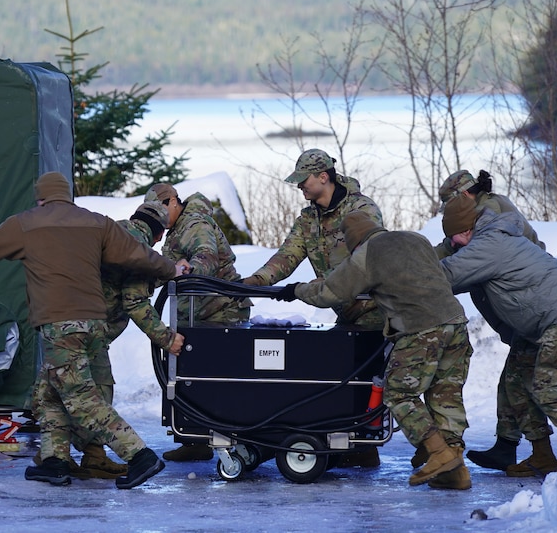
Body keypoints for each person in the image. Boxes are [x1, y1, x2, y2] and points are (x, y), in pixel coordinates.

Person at [0, 172, 177, 489]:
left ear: (41, 197)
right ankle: (55, 461)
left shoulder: (28, 222)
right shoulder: (96, 222)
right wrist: (171, 268)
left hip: (60, 325)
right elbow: (136, 253)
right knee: (48, 395)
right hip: (94, 325)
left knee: (81, 400)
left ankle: (140, 456)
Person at [275, 211, 474, 489]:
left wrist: (296, 290)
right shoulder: (415, 239)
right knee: (445, 396)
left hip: (421, 329)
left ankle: (439, 453)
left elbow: (330, 293)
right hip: (456, 324)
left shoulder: (366, 253)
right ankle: (456, 471)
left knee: (398, 393)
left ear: (352, 241)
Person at [438, 195, 557, 477]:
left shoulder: (488, 245)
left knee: (547, 389)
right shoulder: (499, 235)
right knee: (523, 383)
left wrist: (403, 273)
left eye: (453, 239)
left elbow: (445, 276)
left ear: (465, 230)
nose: (454, 247)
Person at [240, 148, 385, 467]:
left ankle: (432, 450)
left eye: (303, 180)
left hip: (377, 314)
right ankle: (357, 445)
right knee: (337, 378)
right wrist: (254, 282)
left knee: (378, 383)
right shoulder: (308, 220)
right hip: (346, 315)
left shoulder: (361, 210)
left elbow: (371, 260)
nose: (299, 187)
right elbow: (286, 257)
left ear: (323, 177)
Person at [36, 199, 186, 480]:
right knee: (94, 396)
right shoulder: (138, 250)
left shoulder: (107, 234)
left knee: (52, 392)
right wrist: (167, 339)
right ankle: (124, 456)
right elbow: (135, 302)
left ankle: (55, 459)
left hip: (57, 320)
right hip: (90, 331)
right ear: (159, 235)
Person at [436, 169, 548, 473]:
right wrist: (418, 260)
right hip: (522, 310)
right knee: (513, 380)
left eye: (451, 204)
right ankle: (508, 446)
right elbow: (448, 249)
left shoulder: (490, 216)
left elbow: (463, 264)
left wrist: (421, 277)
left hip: (529, 307)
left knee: (521, 381)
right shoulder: (481, 213)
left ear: (464, 197)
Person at [146, 182, 247, 462]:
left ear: (172, 203)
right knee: (191, 378)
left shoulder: (194, 223)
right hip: (197, 315)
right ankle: (195, 439)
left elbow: (206, 256)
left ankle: (230, 440)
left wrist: (188, 274)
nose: (157, 218)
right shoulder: (177, 228)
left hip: (220, 313)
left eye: (159, 210)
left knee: (214, 379)